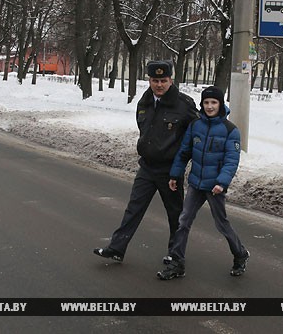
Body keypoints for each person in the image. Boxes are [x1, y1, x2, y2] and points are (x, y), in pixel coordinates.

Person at [94, 61, 198, 264]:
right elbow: (144, 129)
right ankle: (117, 247)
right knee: (133, 208)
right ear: (149, 80)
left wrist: (181, 164)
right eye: (154, 80)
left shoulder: (184, 105)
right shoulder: (145, 101)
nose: (159, 85)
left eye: (163, 80)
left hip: (170, 170)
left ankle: (175, 255)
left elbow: (195, 135)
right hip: (147, 167)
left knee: (175, 215)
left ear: (171, 80)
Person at [157, 86, 249, 280]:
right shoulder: (195, 126)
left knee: (221, 224)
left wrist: (221, 183)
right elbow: (184, 152)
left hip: (215, 187)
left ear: (220, 104)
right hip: (195, 184)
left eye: (213, 102)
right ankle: (177, 263)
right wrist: (175, 175)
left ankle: (240, 254)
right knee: (183, 221)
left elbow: (231, 161)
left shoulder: (230, 130)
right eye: (206, 103)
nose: (209, 106)